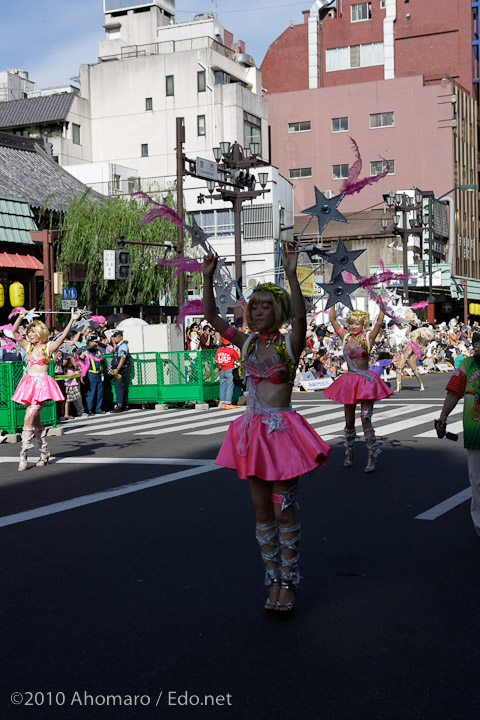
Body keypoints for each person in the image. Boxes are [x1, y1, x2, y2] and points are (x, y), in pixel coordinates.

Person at [202, 243, 330, 615]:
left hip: (283, 437)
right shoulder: (247, 343)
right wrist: (207, 278)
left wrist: (291, 274)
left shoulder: (290, 345)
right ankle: (272, 578)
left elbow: (303, 321)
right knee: (260, 513)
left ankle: (290, 581)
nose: (257, 312)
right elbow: (211, 317)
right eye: (253, 306)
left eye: (265, 306)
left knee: (284, 512)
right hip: (252, 434)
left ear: (278, 310)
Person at [10, 309, 82, 471]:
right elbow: (14, 332)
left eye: (32, 332)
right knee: (34, 420)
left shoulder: (48, 347)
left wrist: (72, 319)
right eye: (28, 332)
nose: (29, 335)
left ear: (39, 333)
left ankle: (23, 455)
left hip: (42, 385)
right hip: (28, 384)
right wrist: (20, 317)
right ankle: (44, 452)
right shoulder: (27, 346)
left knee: (30, 415)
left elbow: (63, 336)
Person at [324, 307, 392, 473]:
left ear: (362, 325)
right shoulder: (345, 337)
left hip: (365, 382)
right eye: (351, 323)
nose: (353, 326)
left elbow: (378, 322)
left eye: (357, 323)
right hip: (349, 382)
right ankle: (350, 452)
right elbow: (333, 320)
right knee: (348, 421)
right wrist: (333, 300)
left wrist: (381, 305)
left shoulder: (368, 338)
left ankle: (371, 456)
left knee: (365, 418)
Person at [435, 332, 480, 538]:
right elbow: (453, 392)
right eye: (477, 343)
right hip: (475, 429)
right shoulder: (467, 366)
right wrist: (443, 417)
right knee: (477, 479)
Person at [214, 338, 239, 409]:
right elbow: (237, 357)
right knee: (230, 386)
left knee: (222, 386)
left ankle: (221, 402)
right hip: (229, 369)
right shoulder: (231, 350)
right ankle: (228, 402)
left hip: (221, 369)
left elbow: (216, 359)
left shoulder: (219, 350)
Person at [110, 330, 130, 413]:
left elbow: (122, 357)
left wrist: (118, 369)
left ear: (121, 336)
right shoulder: (118, 346)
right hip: (118, 369)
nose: (115, 338)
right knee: (120, 387)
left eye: (116, 336)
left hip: (120, 370)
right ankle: (122, 404)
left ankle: (120, 405)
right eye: (114, 336)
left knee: (119, 387)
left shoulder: (123, 346)